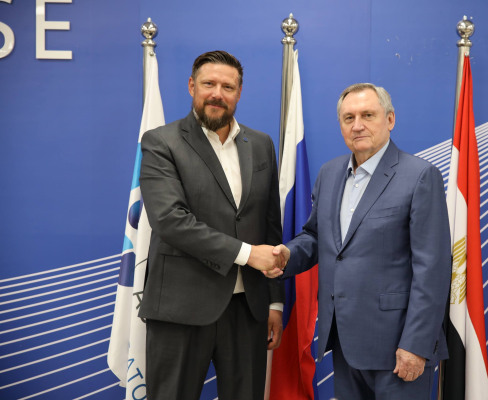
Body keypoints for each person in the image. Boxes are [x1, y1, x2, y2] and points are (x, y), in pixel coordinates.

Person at [268, 83, 451, 399]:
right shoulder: (329, 173)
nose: (357, 125)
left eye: (368, 115)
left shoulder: (420, 176)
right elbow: (317, 237)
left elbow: (432, 270)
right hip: (344, 340)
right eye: (348, 118)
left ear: (390, 120)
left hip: (399, 347)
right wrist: (287, 254)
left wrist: (416, 345)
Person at [138, 50, 284, 400]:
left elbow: (270, 225)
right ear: (192, 86)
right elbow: (170, 220)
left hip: (248, 309)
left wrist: (274, 303)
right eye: (209, 84)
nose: (217, 93)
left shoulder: (261, 144)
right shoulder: (161, 142)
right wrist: (248, 254)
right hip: (180, 308)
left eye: (227, 87)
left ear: (239, 92)